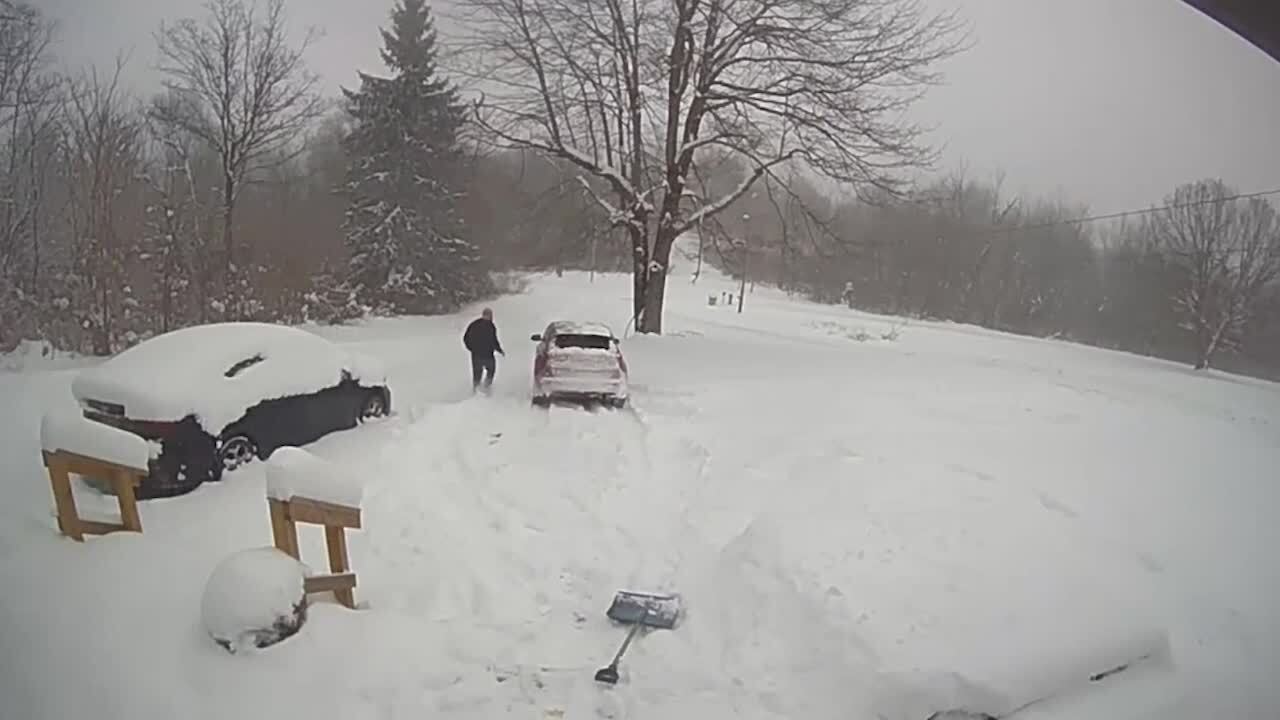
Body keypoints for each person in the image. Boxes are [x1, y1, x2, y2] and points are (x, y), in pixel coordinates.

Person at [463, 308, 504, 392]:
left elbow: (493, 340)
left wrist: (499, 349)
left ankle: (485, 388)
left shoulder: (490, 326)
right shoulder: (475, 325)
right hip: (479, 355)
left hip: (486, 354)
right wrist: (472, 348)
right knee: (479, 373)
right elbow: (466, 338)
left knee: (490, 371)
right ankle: (477, 391)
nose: (490, 317)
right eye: (488, 315)